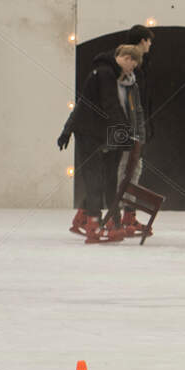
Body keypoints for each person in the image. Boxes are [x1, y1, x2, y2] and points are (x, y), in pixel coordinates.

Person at [60, 44, 144, 243]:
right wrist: (127, 134)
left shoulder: (113, 75)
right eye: (129, 60)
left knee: (108, 178)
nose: (132, 65)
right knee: (95, 178)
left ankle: (110, 223)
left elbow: (105, 106)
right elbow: (108, 105)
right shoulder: (105, 73)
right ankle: (93, 225)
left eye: (134, 62)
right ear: (121, 57)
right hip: (90, 132)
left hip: (104, 132)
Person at [115, 25, 155, 233]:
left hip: (135, 127)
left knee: (132, 170)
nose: (150, 45)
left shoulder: (139, 68)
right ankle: (123, 216)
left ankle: (127, 215)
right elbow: (131, 103)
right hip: (127, 130)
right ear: (141, 41)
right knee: (127, 170)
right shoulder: (132, 68)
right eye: (148, 41)